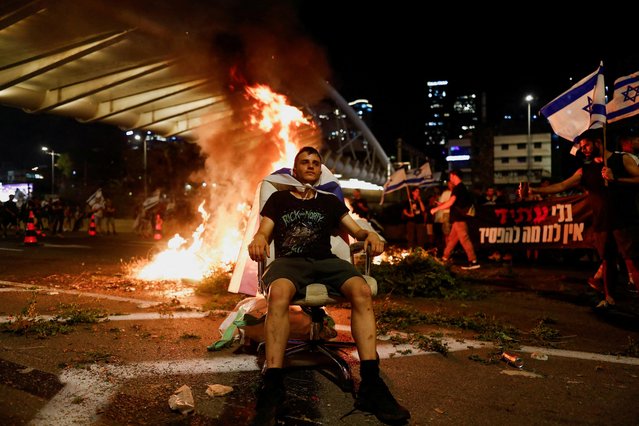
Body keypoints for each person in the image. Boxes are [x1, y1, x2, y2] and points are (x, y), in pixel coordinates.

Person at [248, 146, 410, 426]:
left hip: (326, 261)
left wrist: (369, 234)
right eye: (304, 162)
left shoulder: (329, 201)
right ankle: (273, 386)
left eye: (315, 163)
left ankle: (371, 384)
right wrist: (259, 239)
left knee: (361, 290)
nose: (310, 166)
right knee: (279, 293)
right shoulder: (278, 198)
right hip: (290, 262)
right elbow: (264, 230)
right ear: (295, 170)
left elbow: (356, 229)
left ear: (320, 171)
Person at [528, 129, 639, 307]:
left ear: (598, 142)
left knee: (632, 259)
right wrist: (534, 190)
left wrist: (616, 178)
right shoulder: (584, 170)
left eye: (586, 145)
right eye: (581, 147)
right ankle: (609, 298)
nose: (584, 149)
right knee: (607, 260)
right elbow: (562, 185)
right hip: (602, 223)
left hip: (624, 220)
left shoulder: (621, 159)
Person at [430, 169, 480, 270]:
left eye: (450, 176)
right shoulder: (461, 188)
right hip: (458, 219)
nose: (449, 178)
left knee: (464, 240)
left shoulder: (458, 188)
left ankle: (473, 261)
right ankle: (444, 258)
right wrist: (442, 204)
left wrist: (436, 209)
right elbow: (454, 203)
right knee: (452, 240)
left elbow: (451, 202)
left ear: (454, 175)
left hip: (459, 219)